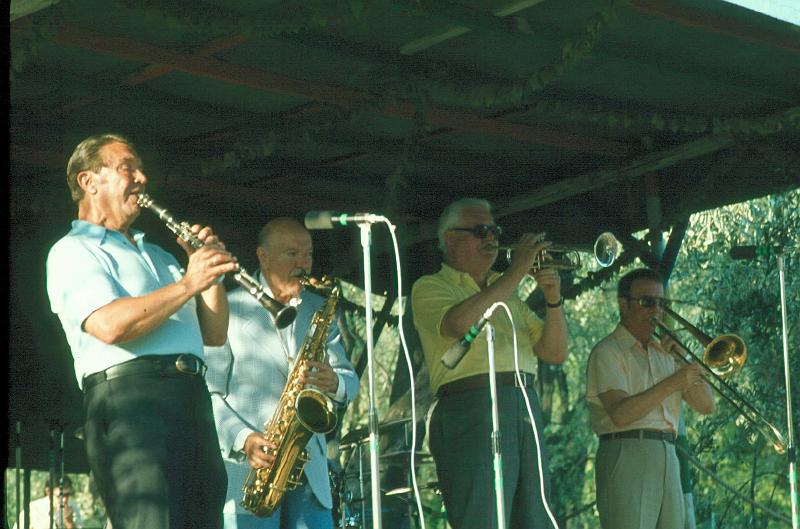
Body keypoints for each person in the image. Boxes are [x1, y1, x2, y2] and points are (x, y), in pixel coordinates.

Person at [46, 133, 236, 529]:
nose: (141, 178)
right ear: (88, 181)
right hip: (131, 403)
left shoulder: (161, 254)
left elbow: (214, 334)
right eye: (127, 167)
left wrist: (208, 271)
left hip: (192, 399)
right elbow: (110, 325)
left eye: (141, 169)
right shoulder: (73, 250)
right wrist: (188, 283)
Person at [411, 198, 568, 529]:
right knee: (481, 518)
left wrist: (553, 298)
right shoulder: (430, 286)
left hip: (523, 405)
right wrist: (517, 271)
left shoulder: (509, 296)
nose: (492, 239)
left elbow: (554, 353)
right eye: (481, 231)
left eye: (495, 231)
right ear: (451, 239)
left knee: (534, 517)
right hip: (469, 408)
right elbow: (457, 325)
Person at [205, 217, 359, 529]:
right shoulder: (228, 308)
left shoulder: (317, 308)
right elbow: (208, 393)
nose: (304, 264)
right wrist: (243, 439)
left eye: (309, 255)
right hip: (250, 471)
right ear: (263, 256)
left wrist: (336, 382)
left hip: (310, 473)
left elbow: (350, 381)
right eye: (292, 254)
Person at [586, 268, 715, 529]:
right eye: (647, 302)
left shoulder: (666, 353)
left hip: (668, 452)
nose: (656, 311)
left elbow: (707, 405)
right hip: (627, 450)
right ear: (624, 305)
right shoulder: (608, 351)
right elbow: (620, 414)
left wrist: (682, 358)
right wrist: (673, 382)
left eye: (661, 303)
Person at [14, 476, 82, 529]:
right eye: (60, 495)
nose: (64, 500)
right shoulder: (33, 509)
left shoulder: (73, 508)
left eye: (67, 495)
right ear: (48, 492)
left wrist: (69, 523)